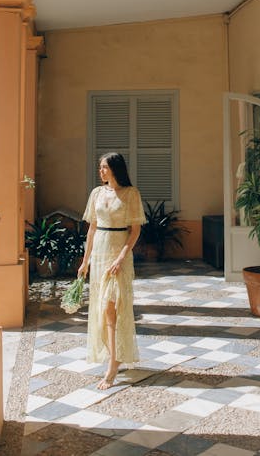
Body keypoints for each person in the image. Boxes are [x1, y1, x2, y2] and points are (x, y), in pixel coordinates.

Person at [78, 152, 146, 389]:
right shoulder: (96, 193)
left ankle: (113, 366)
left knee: (114, 306)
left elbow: (135, 231)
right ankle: (112, 357)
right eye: (100, 167)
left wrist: (120, 258)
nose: (101, 171)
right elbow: (91, 230)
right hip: (99, 253)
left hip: (119, 254)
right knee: (103, 309)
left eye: (105, 167)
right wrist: (85, 261)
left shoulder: (131, 194)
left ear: (116, 168)